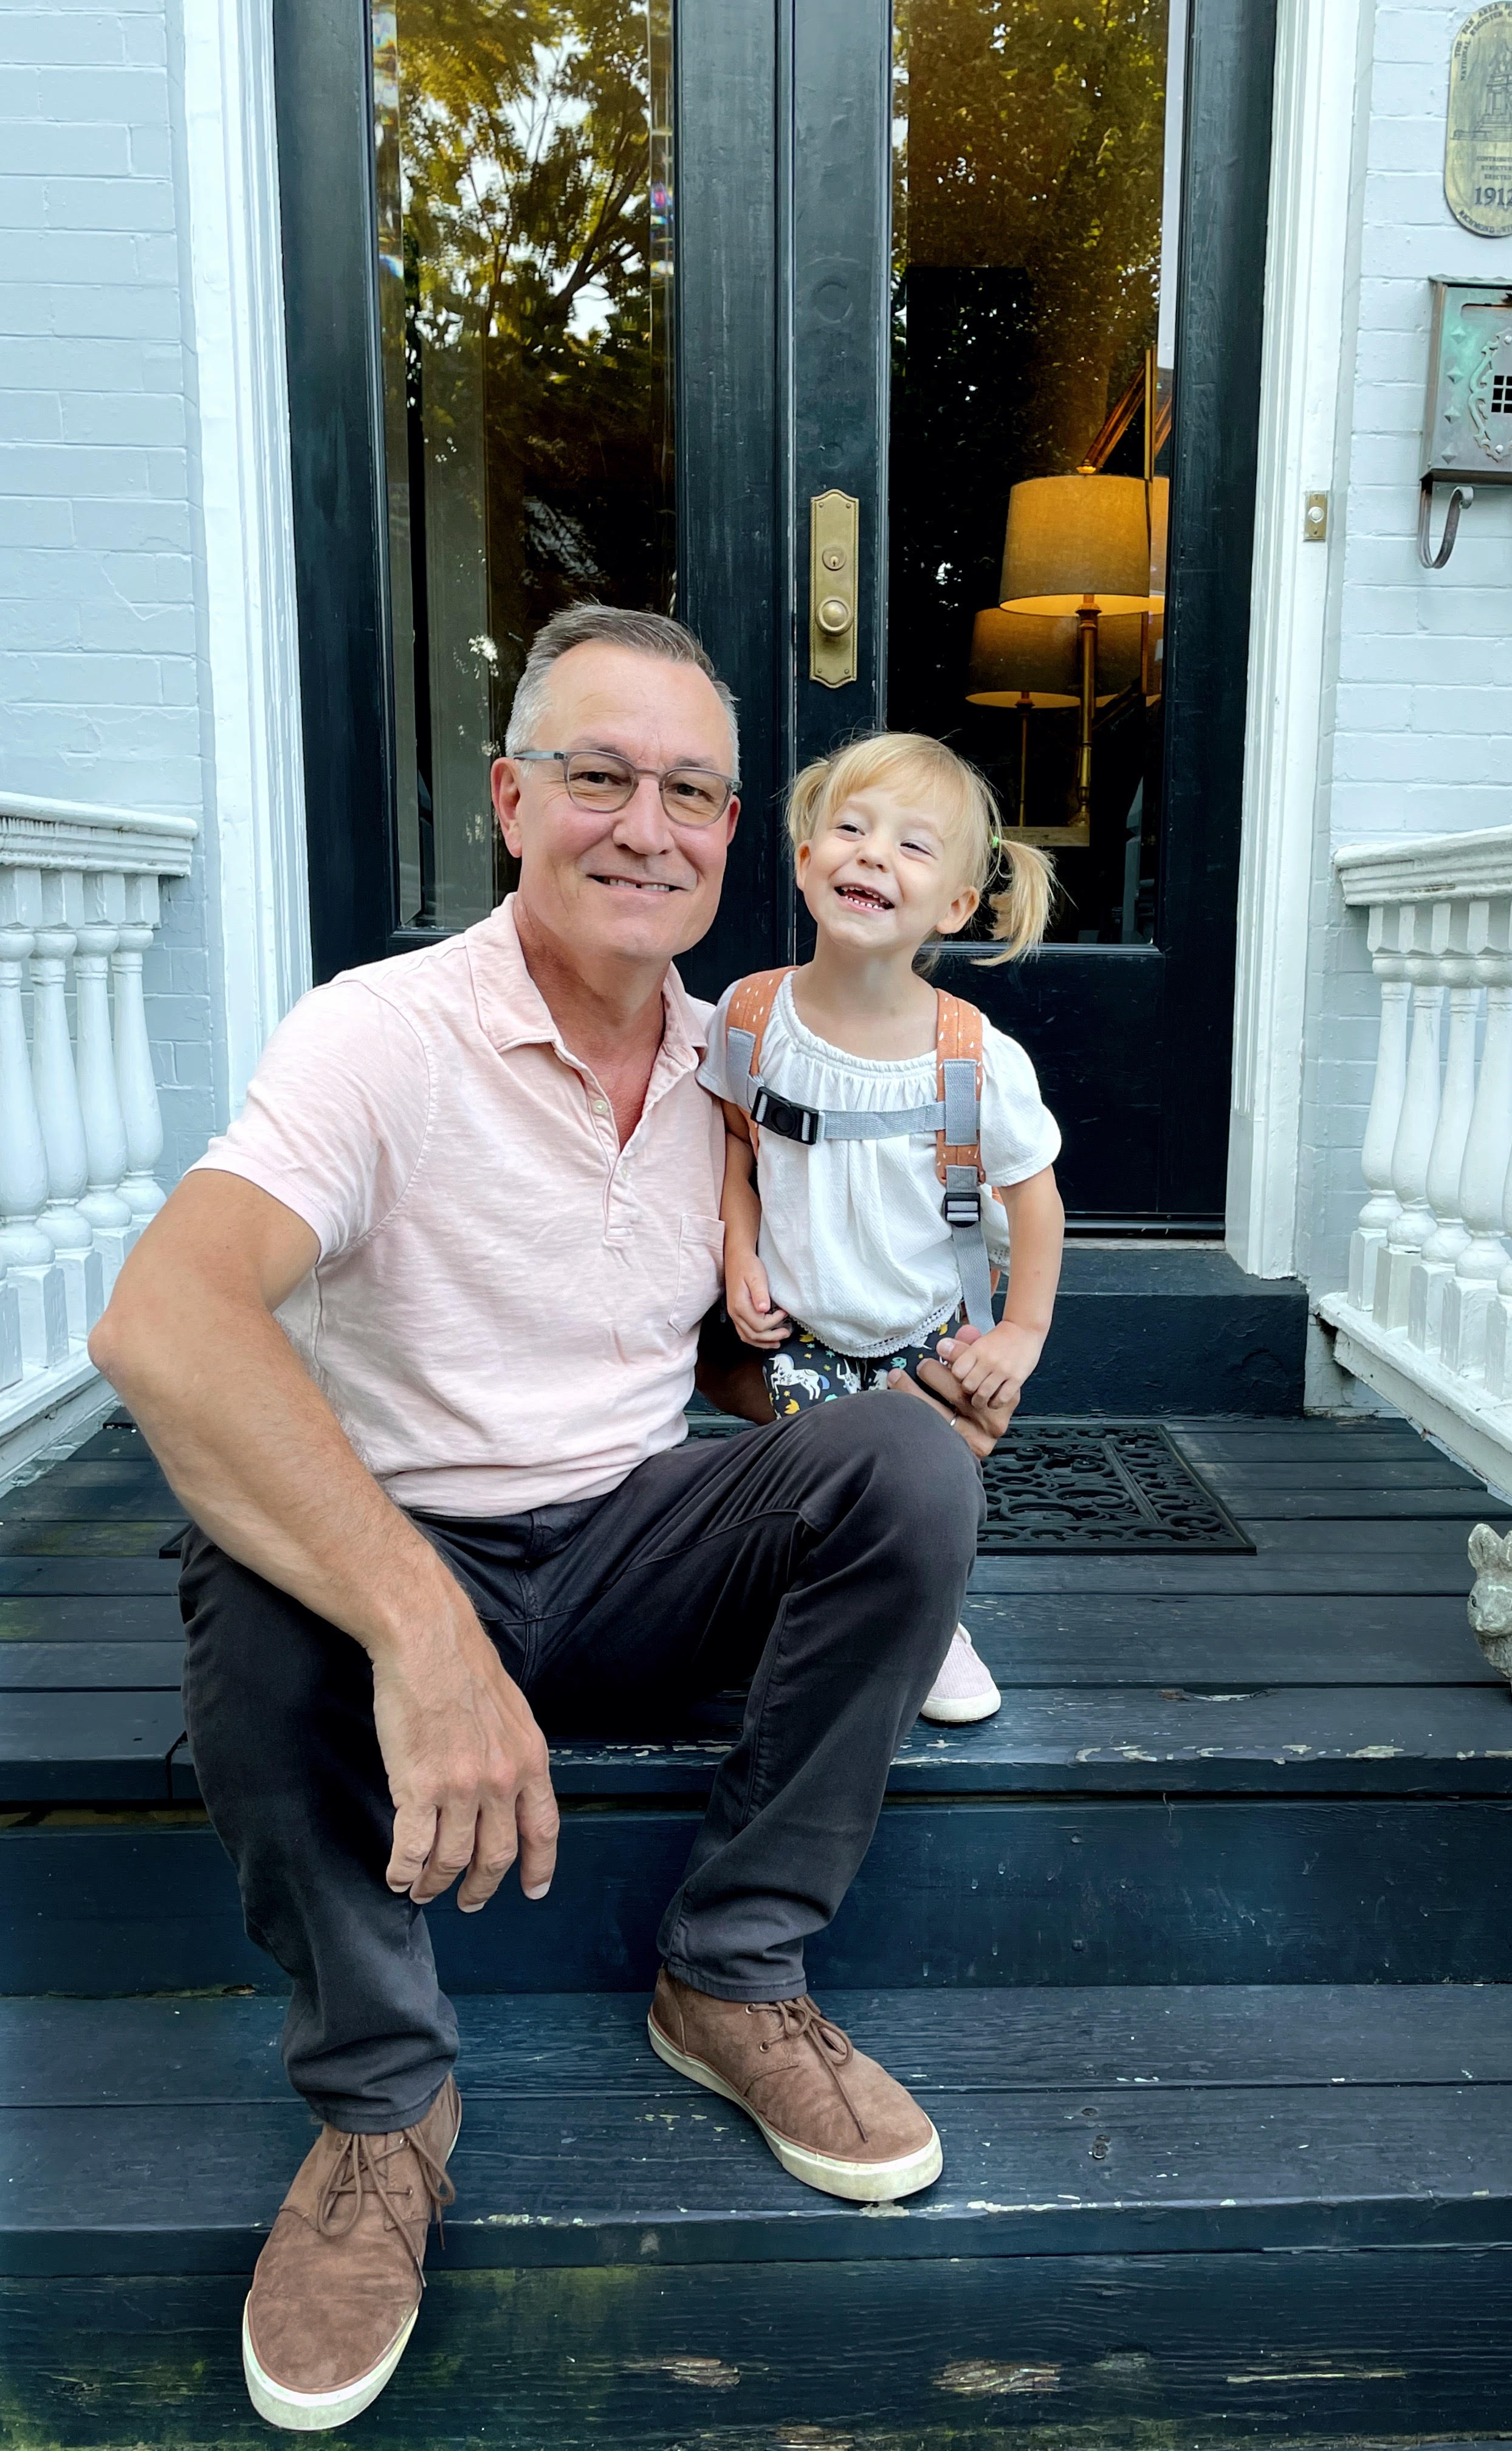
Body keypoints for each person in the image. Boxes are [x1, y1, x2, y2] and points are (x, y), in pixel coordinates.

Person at [88, 605, 1012, 2436]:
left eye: (692, 793)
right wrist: (419, 1633)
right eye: (598, 776)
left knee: (908, 1465)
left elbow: (727, 1350)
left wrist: (908, 1377)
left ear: (733, 835)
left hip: (637, 1538)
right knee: (240, 1569)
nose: (645, 828)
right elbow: (162, 1323)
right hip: (408, 1559)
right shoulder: (380, 1034)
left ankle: (729, 1973)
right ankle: (382, 2107)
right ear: (512, 801)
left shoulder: (737, 1062)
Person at [705, 734, 1065, 1725]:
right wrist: (737, 1247)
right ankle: (812, 1611)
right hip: (802, 1326)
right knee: (810, 1491)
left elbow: (1036, 1196)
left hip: (923, 1327)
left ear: (953, 905)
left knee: (925, 1497)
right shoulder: (750, 1018)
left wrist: (1023, 1332)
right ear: (807, 859)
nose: (871, 854)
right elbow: (735, 1142)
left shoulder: (972, 1054)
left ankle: (929, 1618)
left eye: (911, 845)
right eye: (852, 829)